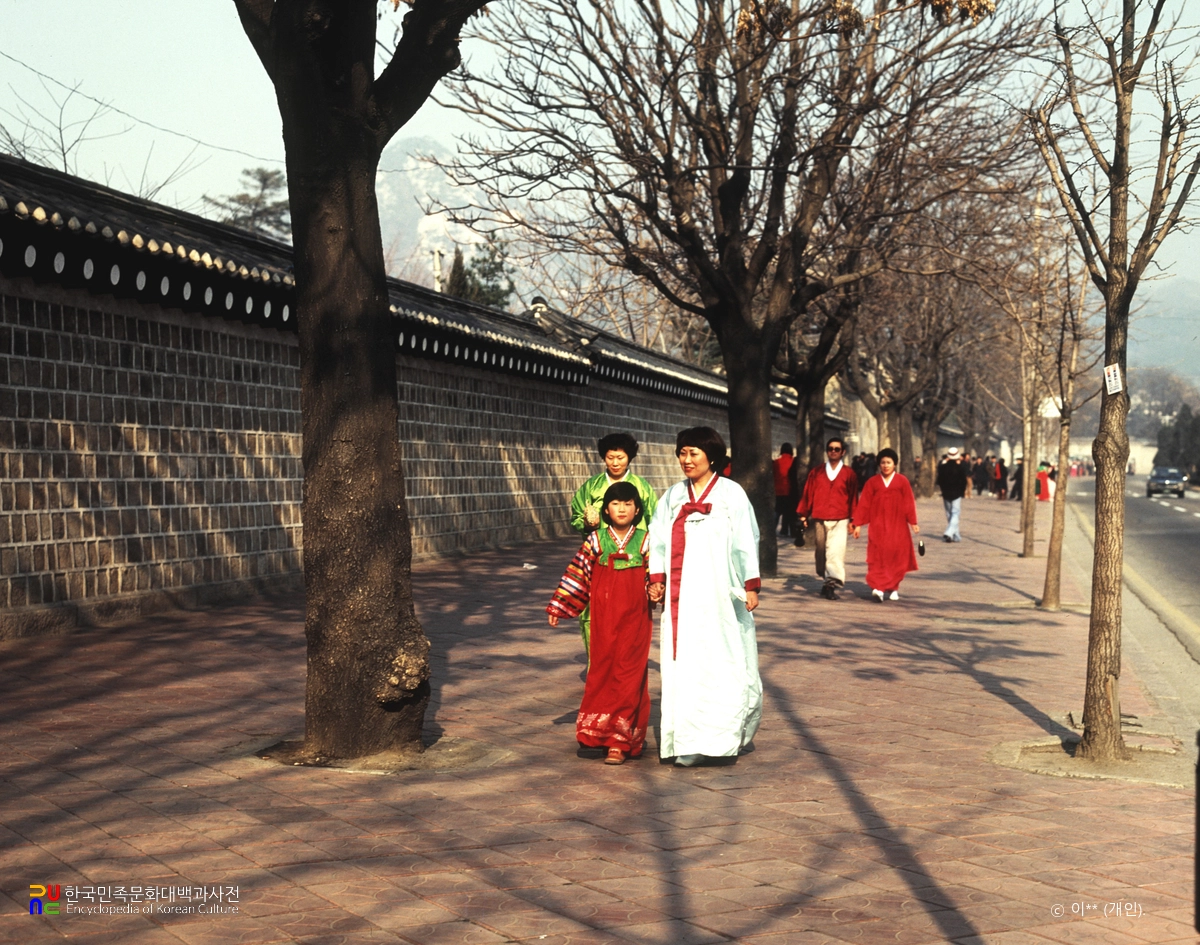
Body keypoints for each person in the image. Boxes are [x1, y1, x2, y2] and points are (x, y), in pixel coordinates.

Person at [647, 427, 761, 767]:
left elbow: (746, 538)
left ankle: (724, 739)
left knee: (726, 662)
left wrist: (750, 585)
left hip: (722, 595)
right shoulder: (671, 497)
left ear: (712, 456)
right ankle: (688, 743)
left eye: (693, 453)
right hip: (683, 601)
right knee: (685, 668)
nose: (686, 460)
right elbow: (657, 540)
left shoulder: (731, 494)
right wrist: (657, 579)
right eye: (682, 453)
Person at [548, 482, 653, 765]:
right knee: (603, 669)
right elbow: (577, 575)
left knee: (629, 674)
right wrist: (560, 605)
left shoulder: (646, 541)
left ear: (637, 509)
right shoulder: (595, 541)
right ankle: (598, 734)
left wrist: (656, 588)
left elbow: (656, 576)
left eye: (628, 504)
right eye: (616, 504)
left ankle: (620, 740)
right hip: (604, 620)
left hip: (636, 621)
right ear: (606, 509)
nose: (622, 508)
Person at [569, 433, 658, 654]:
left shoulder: (642, 487)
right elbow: (576, 517)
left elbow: (656, 520)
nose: (615, 463)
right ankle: (598, 670)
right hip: (601, 561)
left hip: (634, 561)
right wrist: (589, 523)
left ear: (630, 458)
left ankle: (628, 673)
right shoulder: (591, 487)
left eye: (620, 457)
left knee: (632, 618)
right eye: (610, 457)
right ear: (603, 458)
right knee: (596, 616)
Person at [851, 447, 919, 602]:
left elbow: (909, 502)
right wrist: (858, 524)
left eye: (889, 462)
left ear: (894, 464)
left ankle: (894, 587)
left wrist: (913, 522)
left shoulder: (902, 481)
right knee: (877, 555)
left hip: (898, 524)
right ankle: (878, 587)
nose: (886, 465)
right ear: (879, 464)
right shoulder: (872, 482)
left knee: (896, 555)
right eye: (883, 462)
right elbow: (864, 505)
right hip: (878, 524)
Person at [796, 436, 858, 600]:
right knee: (821, 553)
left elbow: (853, 498)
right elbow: (808, 494)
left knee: (836, 552)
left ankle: (831, 583)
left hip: (841, 517)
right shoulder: (816, 472)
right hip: (820, 517)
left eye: (837, 449)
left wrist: (854, 520)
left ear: (843, 452)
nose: (833, 452)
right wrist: (803, 515)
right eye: (830, 449)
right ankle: (826, 579)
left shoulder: (849, 474)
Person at [935, 446, 969, 543]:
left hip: (946, 493)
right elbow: (963, 481)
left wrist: (943, 490)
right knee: (955, 513)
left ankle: (956, 535)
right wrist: (963, 491)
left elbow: (939, 480)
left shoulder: (942, 467)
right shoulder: (960, 467)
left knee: (949, 513)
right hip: (957, 493)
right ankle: (950, 532)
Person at [773, 443, 796, 537]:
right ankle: (787, 530)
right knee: (789, 513)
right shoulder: (793, 462)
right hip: (790, 491)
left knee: (777, 512)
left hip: (778, 491)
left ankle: (771, 530)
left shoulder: (776, 462)